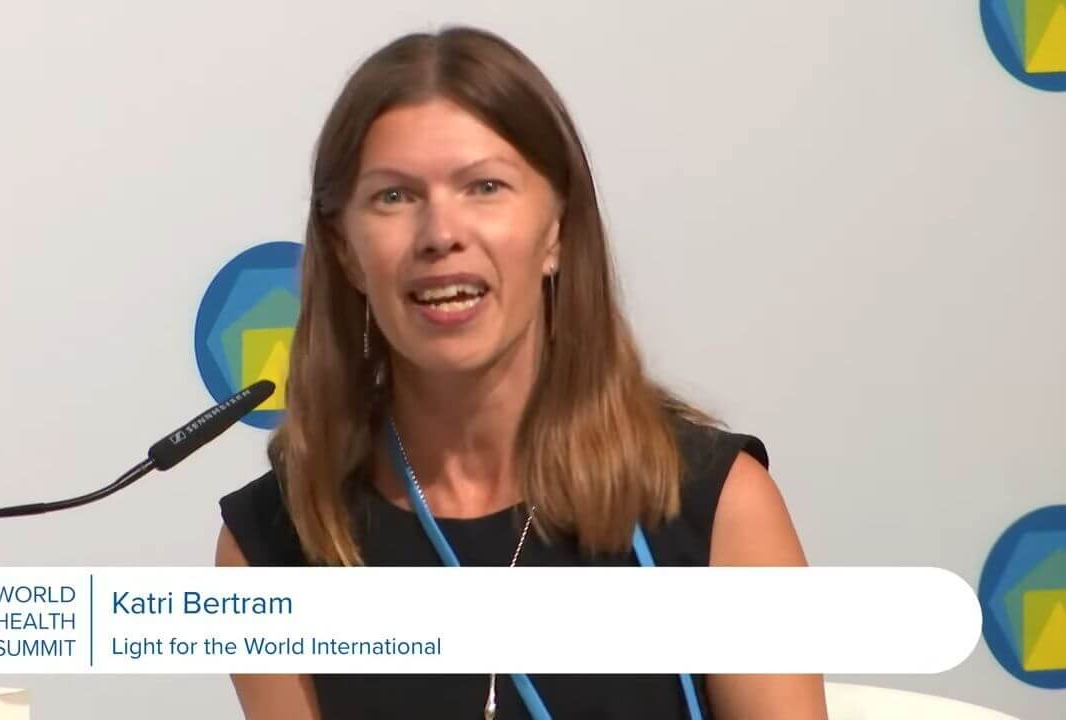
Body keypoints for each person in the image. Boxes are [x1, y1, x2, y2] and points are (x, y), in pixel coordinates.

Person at [217, 25, 827, 720]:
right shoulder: (273, 541)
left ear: (558, 231)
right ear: (348, 253)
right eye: (394, 196)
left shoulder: (718, 506)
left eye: (484, 186)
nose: (441, 233)